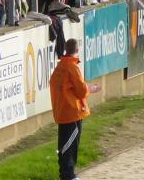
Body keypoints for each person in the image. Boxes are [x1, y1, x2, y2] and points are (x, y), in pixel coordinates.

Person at [50, 38, 100, 180]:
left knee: (65, 145)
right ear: (77, 50)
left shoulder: (60, 67)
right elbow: (81, 91)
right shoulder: (72, 67)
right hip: (72, 112)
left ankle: (67, 174)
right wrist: (92, 88)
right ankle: (68, 175)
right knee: (69, 146)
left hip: (63, 111)